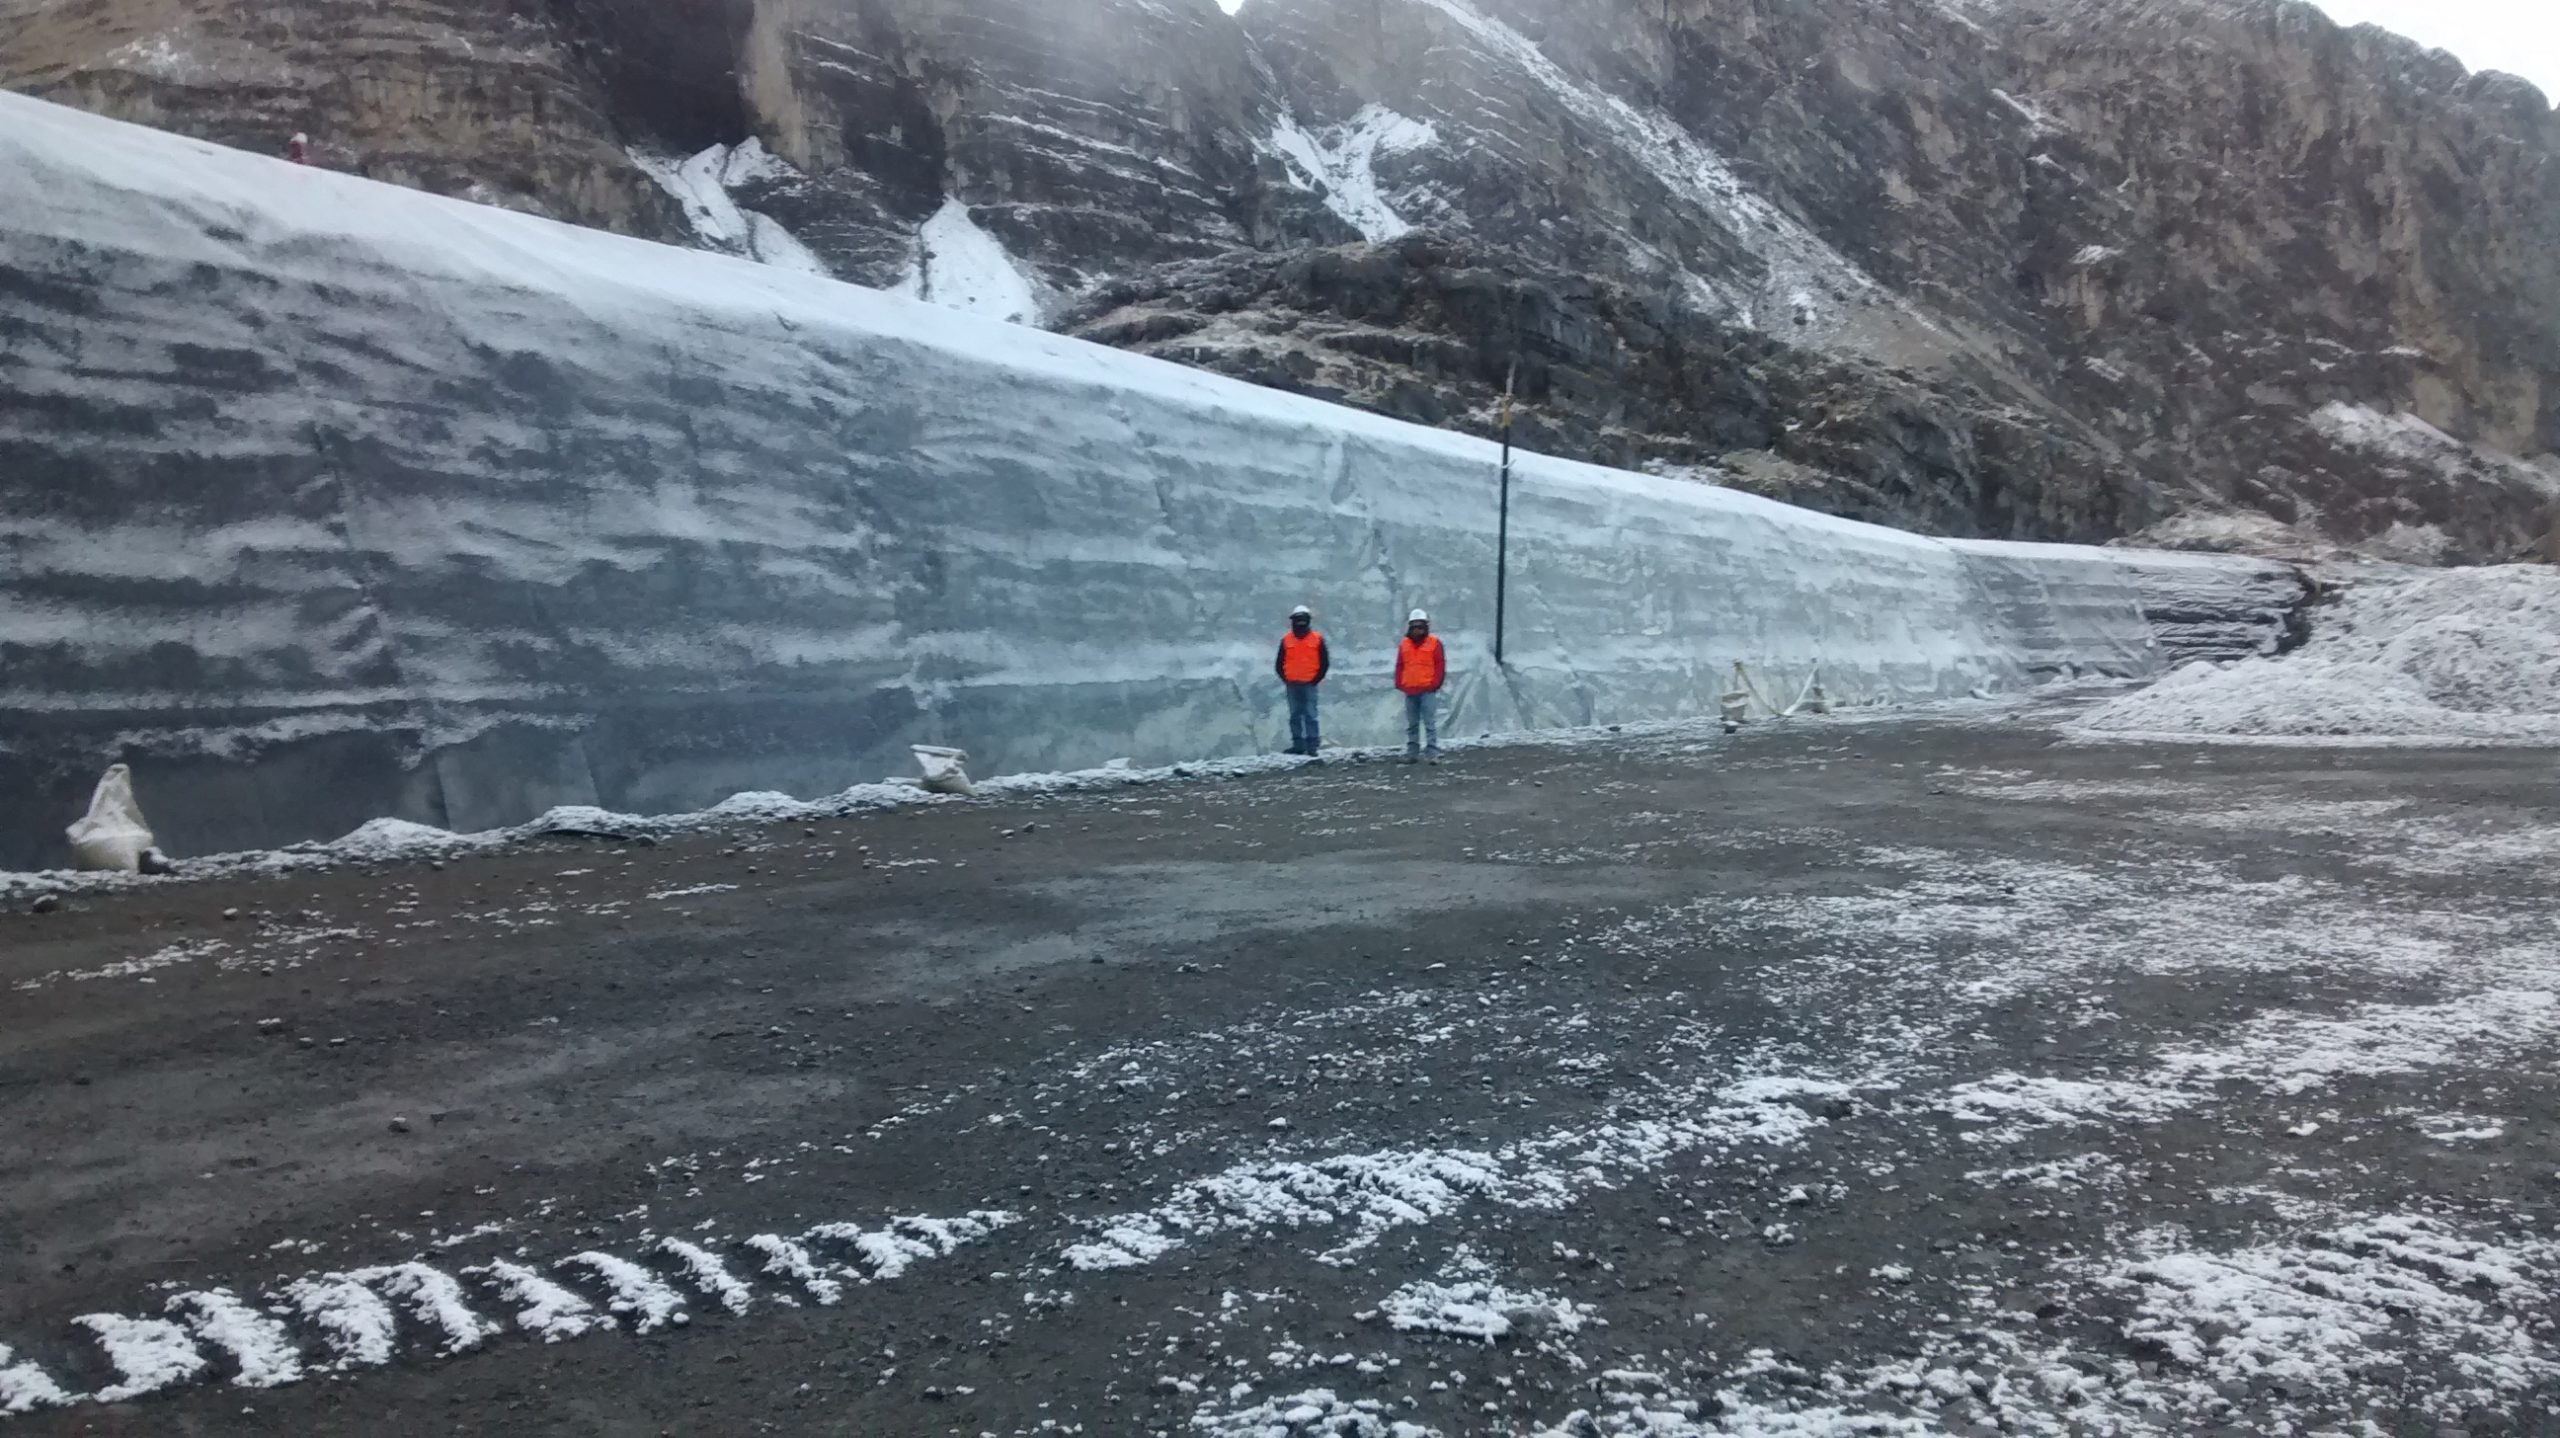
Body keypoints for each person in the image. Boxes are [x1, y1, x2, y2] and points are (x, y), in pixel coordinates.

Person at [1275, 605, 1330, 756]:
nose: (1300, 623)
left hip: (1309, 684)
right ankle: (1298, 745)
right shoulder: (1286, 640)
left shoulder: (1317, 639)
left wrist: (1315, 680)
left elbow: (1324, 662)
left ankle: (1312, 745)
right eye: (1297, 620)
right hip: (1292, 684)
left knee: (1310, 715)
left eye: (1302, 620)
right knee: (1295, 715)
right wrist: (1286, 679)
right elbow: (1279, 663)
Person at [1395, 609, 1446, 763]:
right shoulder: (1404, 644)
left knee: (1429, 723)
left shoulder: (1434, 643)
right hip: (1410, 689)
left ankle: (1432, 753)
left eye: (1420, 626)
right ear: (1410, 627)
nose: (1418, 630)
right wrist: (1400, 683)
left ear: (1426, 626)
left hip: (1427, 690)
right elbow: (1400, 665)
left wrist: (1435, 684)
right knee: (1412, 724)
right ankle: (1413, 753)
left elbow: (1440, 665)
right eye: (1415, 627)